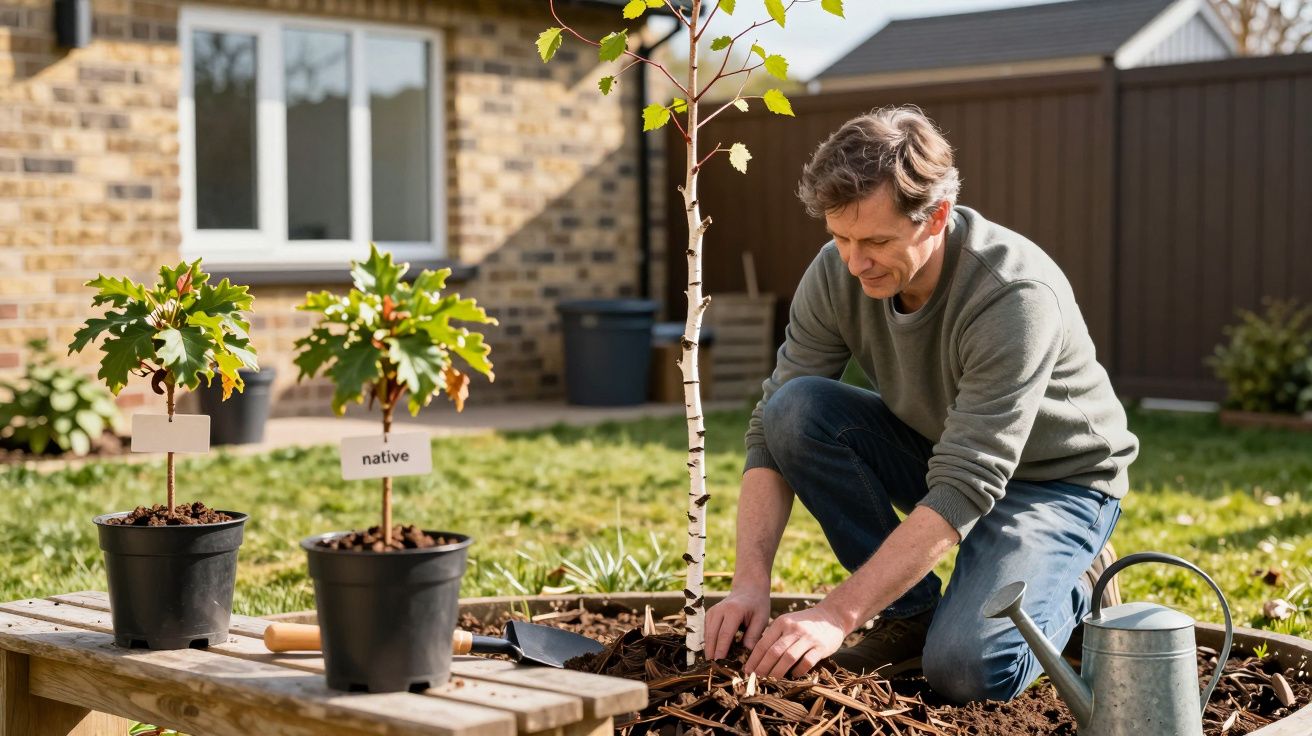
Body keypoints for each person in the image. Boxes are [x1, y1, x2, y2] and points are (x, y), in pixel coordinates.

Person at [701, 105, 1139, 704]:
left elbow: (965, 483)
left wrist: (836, 614)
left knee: (967, 671)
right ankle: (910, 615)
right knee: (793, 412)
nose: (854, 262)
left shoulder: (1013, 294)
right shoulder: (839, 272)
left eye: (877, 241)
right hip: (942, 453)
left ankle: (1078, 584)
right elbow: (767, 435)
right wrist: (750, 583)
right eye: (840, 236)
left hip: (1054, 483)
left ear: (936, 217)